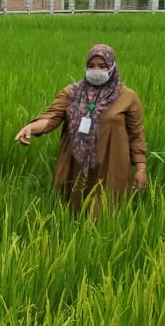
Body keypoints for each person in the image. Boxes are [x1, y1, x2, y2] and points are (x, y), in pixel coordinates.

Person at [13, 43, 147, 215]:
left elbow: (137, 135)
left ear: (112, 67)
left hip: (111, 166)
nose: (96, 70)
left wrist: (141, 169)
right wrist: (30, 127)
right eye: (91, 66)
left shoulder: (128, 97)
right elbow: (51, 118)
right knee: (72, 212)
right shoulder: (72, 92)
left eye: (102, 66)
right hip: (76, 164)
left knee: (106, 213)